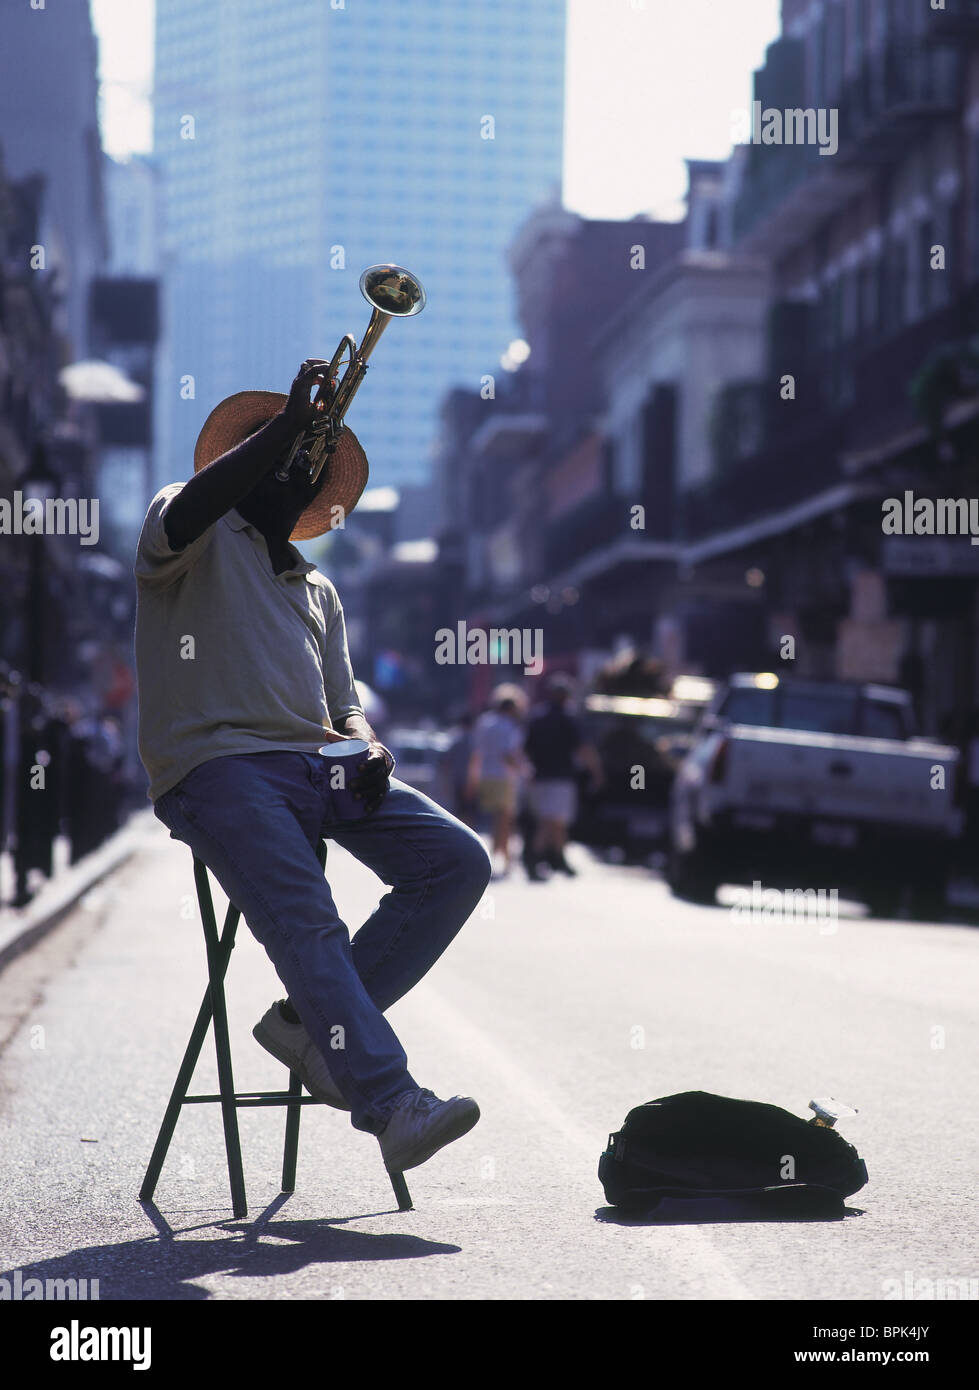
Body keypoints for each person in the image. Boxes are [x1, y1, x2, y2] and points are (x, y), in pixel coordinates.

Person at [133, 360, 491, 1176]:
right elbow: (192, 508)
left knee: (457, 863)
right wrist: (289, 425)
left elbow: (344, 706)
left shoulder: (316, 588)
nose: (298, 480)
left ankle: (308, 1027)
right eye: (286, 461)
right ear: (254, 458)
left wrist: (364, 745)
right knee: (309, 914)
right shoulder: (186, 528)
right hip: (216, 766)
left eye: (312, 474)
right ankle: (391, 1101)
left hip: (317, 766)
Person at [523, 676, 603, 881]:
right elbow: (584, 748)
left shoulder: (537, 717)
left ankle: (557, 859)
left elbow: (526, 749)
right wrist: (596, 773)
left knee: (554, 822)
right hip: (560, 778)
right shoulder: (569, 717)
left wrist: (527, 772)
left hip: (540, 777)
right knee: (550, 822)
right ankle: (534, 861)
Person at [465, 685, 527, 877]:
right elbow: (508, 754)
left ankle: (499, 856)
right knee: (504, 820)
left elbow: (477, 753)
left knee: (494, 820)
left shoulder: (484, 722)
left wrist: (472, 778)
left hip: (485, 774)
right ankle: (500, 858)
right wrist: (523, 771)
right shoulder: (510, 726)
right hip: (503, 776)